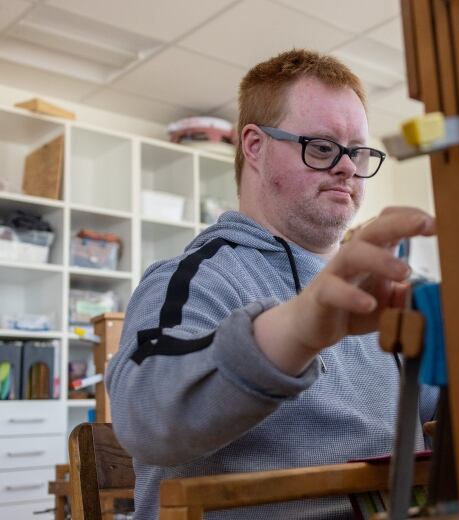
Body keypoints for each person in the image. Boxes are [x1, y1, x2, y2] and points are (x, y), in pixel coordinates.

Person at [106, 49, 438, 520]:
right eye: (322, 147)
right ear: (255, 147)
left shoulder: (371, 289)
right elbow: (144, 420)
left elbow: (440, 405)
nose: (347, 167)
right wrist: (301, 327)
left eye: (358, 152)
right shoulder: (198, 277)